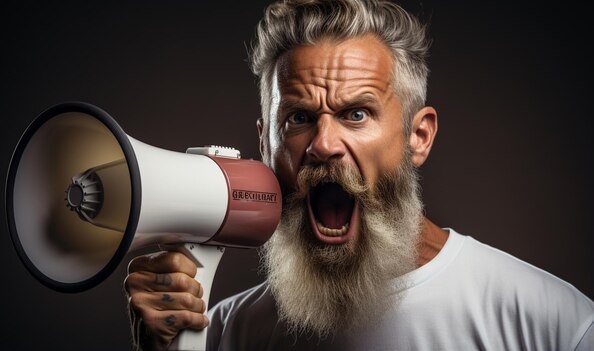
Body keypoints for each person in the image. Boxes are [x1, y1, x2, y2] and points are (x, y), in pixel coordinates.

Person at [124, 0, 594, 350]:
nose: (324, 144)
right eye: (299, 119)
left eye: (355, 114)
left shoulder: (553, 324)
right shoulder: (221, 333)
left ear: (419, 136)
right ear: (265, 144)